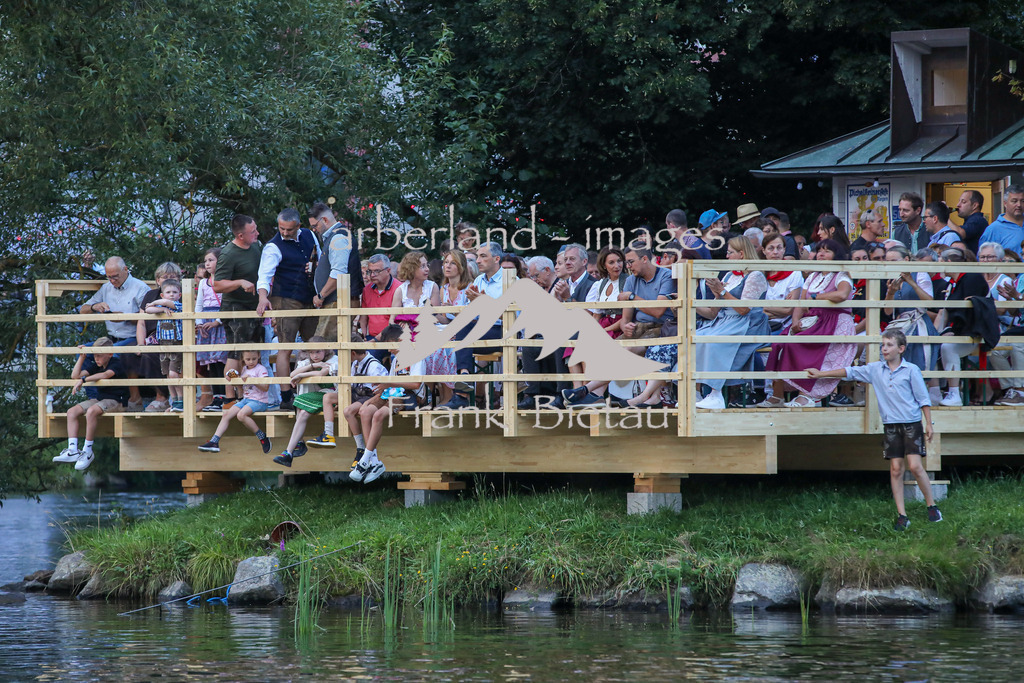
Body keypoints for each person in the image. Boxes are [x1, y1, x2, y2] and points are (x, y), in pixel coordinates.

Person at [807, 329, 941, 530]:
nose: (884, 349)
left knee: (914, 466)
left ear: (901, 349)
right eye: (883, 345)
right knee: (895, 469)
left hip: (911, 424)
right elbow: (849, 372)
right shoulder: (875, 369)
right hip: (891, 425)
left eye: (889, 345)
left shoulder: (911, 370)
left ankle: (931, 505)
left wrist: (929, 423)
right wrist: (822, 374)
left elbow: (923, 399)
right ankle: (902, 515)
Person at [762, 239, 856, 407]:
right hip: (815, 320)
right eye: (819, 250)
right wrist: (795, 322)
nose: (821, 254)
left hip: (835, 322)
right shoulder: (813, 276)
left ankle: (806, 395)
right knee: (780, 342)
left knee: (803, 345)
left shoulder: (841, 275)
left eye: (827, 251)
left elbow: (841, 295)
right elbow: (801, 303)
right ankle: (777, 395)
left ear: (836, 256)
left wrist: (816, 297)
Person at [693, 237, 770, 410]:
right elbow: (714, 312)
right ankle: (696, 393)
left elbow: (744, 310)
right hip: (726, 321)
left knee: (715, 342)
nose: (727, 256)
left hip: (748, 324)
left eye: (730, 253)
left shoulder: (755, 275)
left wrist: (722, 291)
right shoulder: (729, 274)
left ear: (741, 254)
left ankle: (716, 394)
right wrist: (692, 304)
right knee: (696, 337)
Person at [257, 208, 322, 411]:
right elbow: (264, 275)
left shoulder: (310, 235)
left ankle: (318, 392)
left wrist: (317, 267)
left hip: (310, 297)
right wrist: (262, 297)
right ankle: (286, 397)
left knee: (316, 345)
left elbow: (320, 258)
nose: (284, 233)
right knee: (285, 347)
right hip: (285, 298)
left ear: (299, 226)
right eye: (281, 228)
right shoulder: (272, 247)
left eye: (289, 229)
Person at [347, 325, 424, 483]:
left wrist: (388, 384)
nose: (388, 351)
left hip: (407, 395)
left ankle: (364, 460)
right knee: (365, 411)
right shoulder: (396, 359)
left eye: (390, 346)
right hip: (393, 392)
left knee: (378, 414)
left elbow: (416, 384)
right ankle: (374, 462)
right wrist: (370, 400)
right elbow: (389, 384)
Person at [438, 242, 509, 410]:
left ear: (497, 259)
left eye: (483, 256)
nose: (478, 260)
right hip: (480, 329)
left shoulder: (510, 280)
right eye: (477, 256)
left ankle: (462, 392)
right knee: (463, 328)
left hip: (504, 331)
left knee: (464, 331)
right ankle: (463, 380)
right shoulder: (478, 280)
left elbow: (512, 317)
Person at [79, 256, 151, 410]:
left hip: (133, 337)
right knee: (85, 351)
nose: (112, 280)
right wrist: (95, 307)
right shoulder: (106, 288)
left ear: (125, 270)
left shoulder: (140, 288)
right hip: (110, 339)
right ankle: (93, 398)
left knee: (112, 354)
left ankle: (121, 398)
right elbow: (83, 309)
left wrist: (123, 318)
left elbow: (148, 319)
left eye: (115, 276)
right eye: (109, 277)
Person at [52, 338, 127, 471]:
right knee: (72, 412)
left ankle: (87, 450)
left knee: (92, 411)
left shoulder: (116, 363)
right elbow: (75, 376)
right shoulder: (96, 365)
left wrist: (83, 380)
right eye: (94, 355)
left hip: (116, 400)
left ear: (110, 354)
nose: (96, 358)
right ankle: (73, 449)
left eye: (99, 355)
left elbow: (105, 375)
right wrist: (82, 358)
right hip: (100, 399)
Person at [213, 214, 264, 406]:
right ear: (241, 235)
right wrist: (239, 282)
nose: (257, 233)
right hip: (234, 307)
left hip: (254, 306)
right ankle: (230, 397)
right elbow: (217, 285)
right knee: (236, 351)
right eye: (253, 232)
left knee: (253, 351)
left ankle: (250, 395)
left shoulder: (256, 246)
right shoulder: (228, 253)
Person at [935, 248, 992, 406]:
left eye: (939, 262)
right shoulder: (953, 283)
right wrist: (936, 334)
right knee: (927, 343)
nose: (937, 267)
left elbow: (971, 311)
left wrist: (951, 332)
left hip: (976, 332)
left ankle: (954, 393)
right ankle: (933, 392)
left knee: (948, 347)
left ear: (948, 263)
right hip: (958, 330)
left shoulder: (972, 278)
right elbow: (944, 312)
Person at [273, 337, 338, 467]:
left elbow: (322, 374)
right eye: (312, 352)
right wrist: (313, 365)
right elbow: (292, 374)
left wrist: (302, 375)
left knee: (300, 403)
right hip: (320, 395)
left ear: (325, 350)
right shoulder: (310, 362)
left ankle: (293, 449)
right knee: (302, 412)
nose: (315, 355)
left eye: (318, 352)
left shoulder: (333, 360)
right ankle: (289, 452)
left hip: (333, 395)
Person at [317, 332, 389, 449]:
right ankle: (328, 434)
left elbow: (378, 391)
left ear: (353, 353)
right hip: (356, 393)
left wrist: (367, 403)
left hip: (368, 396)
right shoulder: (355, 363)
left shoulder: (373, 365)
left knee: (348, 411)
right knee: (328, 397)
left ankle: (361, 448)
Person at [197, 350, 273, 453]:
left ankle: (262, 436)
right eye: (248, 359)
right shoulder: (244, 369)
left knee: (241, 415)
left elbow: (265, 387)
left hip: (259, 401)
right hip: (246, 400)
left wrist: (253, 381)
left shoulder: (261, 369)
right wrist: (233, 380)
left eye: (254, 359)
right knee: (226, 415)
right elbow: (241, 387)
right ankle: (214, 441)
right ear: (243, 359)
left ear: (258, 356)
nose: (251, 362)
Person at [308, 202, 362, 340]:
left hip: (338, 301)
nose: (314, 230)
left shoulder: (338, 238)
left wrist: (321, 295)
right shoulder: (336, 236)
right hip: (336, 300)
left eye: (315, 226)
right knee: (328, 347)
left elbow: (338, 273)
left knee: (323, 346)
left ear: (324, 220)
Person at [133, 262, 182, 412]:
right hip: (155, 338)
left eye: (172, 277)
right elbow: (141, 321)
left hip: (177, 338)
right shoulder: (151, 295)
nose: (168, 280)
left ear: (178, 279)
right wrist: (140, 344)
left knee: (173, 370)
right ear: (157, 280)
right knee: (141, 356)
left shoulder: (180, 295)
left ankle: (176, 399)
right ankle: (161, 397)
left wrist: (160, 305)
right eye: (164, 277)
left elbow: (171, 305)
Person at [882, 245, 937, 376]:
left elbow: (929, 302)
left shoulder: (920, 274)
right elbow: (888, 312)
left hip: (918, 323)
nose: (890, 265)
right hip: (900, 325)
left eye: (894, 261)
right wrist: (890, 293)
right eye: (888, 262)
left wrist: (911, 282)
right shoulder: (891, 278)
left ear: (906, 259)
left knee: (919, 365)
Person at [426, 250, 471, 405]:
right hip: (447, 330)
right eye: (446, 262)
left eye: (453, 263)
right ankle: (429, 396)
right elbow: (444, 320)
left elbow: (472, 319)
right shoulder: (443, 289)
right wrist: (432, 313)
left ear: (461, 267)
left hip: (466, 331)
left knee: (443, 345)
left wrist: (452, 310)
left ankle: (449, 396)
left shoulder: (469, 288)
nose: (448, 266)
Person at [195, 248, 235, 412]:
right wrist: (199, 323)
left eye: (211, 260)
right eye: (206, 261)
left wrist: (218, 321)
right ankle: (216, 397)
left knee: (222, 360)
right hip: (206, 324)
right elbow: (199, 304)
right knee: (211, 362)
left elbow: (228, 303)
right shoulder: (204, 282)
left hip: (221, 323)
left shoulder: (225, 281)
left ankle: (227, 396)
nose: (207, 263)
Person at [144, 279, 184, 411]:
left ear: (180, 294)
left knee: (174, 373)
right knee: (167, 374)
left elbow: (167, 303)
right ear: (162, 294)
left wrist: (156, 302)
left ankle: (181, 399)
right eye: (168, 292)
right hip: (163, 345)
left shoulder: (178, 306)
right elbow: (147, 310)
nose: (172, 294)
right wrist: (160, 308)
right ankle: (174, 400)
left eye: (175, 292)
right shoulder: (161, 309)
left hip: (176, 344)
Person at [389, 251, 441, 337]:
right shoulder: (400, 291)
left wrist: (409, 320)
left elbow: (436, 316)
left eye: (427, 265)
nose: (427, 269)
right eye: (422, 266)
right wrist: (400, 326)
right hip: (406, 335)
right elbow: (392, 320)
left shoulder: (432, 287)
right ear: (411, 269)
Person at [358, 254, 398, 345]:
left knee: (368, 354)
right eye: (370, 271)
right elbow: (363, 318)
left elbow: (395, 322)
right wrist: (362, 337)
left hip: (392, 339)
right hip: (371, 337)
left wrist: (374, 340)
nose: (372, 275)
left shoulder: (399, 289)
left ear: (388, 271)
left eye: (377, 271)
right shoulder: (367, 289)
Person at [979, 184, 1024, 256]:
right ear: (1005, 203)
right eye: (1014, 201)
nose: (1019, 204)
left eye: (1022, 201)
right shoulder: (993, 229)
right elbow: (983, 260)